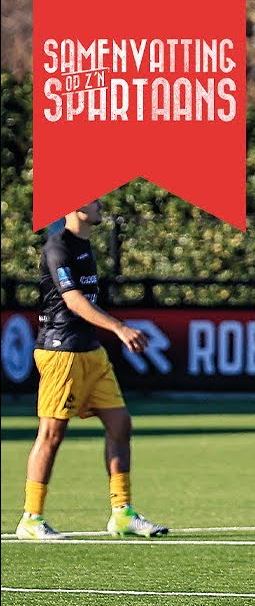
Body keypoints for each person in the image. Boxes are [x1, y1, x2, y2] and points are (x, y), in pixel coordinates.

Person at [16, 200, 167, 541]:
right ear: (75, 205)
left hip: (90, 351)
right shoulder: (57, 247)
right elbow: (73, 300)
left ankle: (122, 513)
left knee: (120, 424)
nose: (100, 205)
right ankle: (31, 518)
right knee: (51, 434)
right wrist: (119, 328)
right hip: (61, 352)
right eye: (94, 199)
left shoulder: (85, 245)